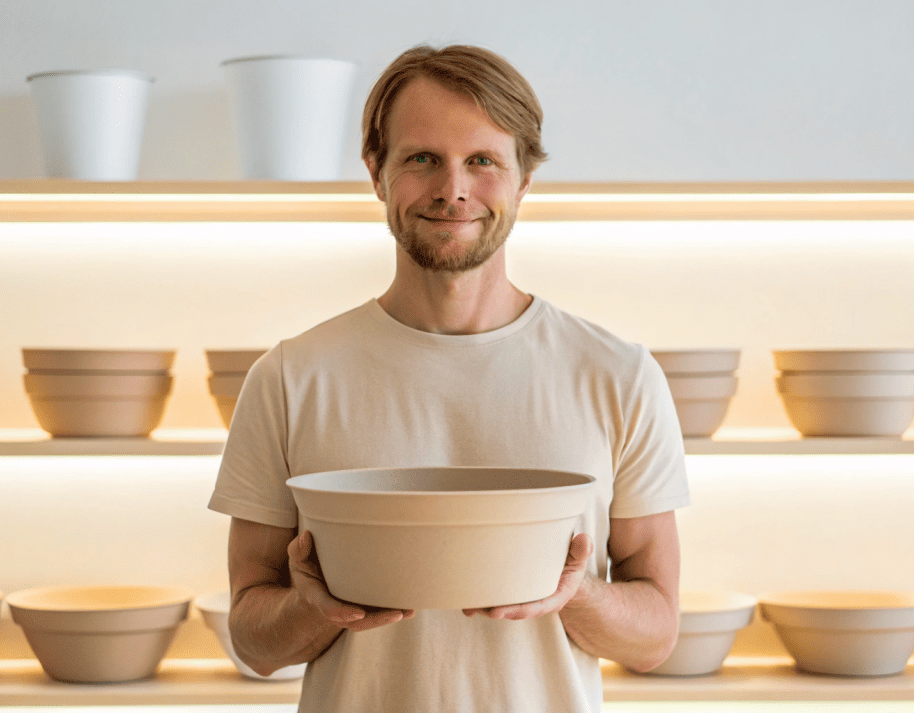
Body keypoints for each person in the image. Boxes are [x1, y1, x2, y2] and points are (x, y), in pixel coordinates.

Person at [208, 44, 690, 713]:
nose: (453, 189)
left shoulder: (619, 375)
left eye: (483, 161)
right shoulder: (289, 377)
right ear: (377, 172)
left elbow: (656, 634)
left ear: (524, 178)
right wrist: (316, 607)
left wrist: (574, 590)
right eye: (422, 158)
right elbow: (253, 640)